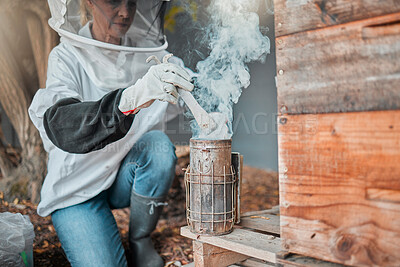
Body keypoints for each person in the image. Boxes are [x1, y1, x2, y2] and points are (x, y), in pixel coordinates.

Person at [28, 0, 194, 266]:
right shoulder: (66, 57)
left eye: (131, 2)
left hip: (121, 176)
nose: (125, 12)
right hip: (76, 187)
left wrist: (203, 93)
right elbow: (64, 124)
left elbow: (188, 85)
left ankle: (140, 238)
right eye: (114, 0)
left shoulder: (147, 53)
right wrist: (129, 99)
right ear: (88, 2)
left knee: (158, 147)